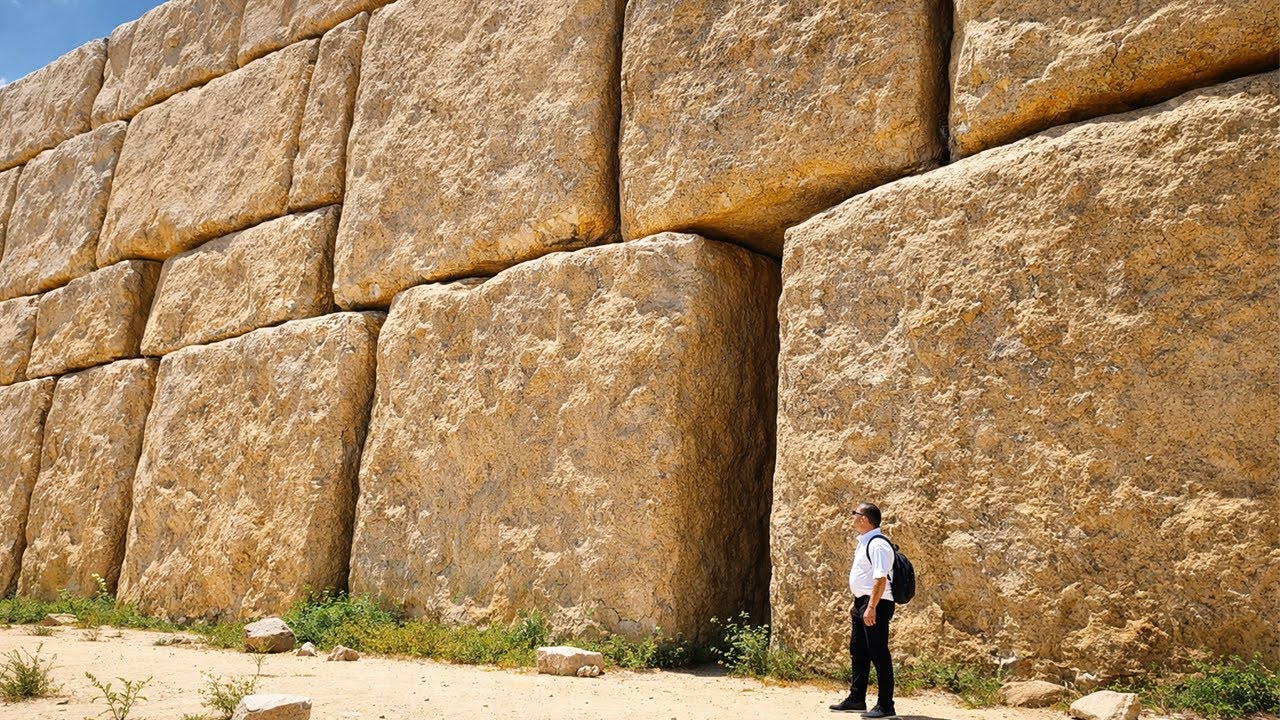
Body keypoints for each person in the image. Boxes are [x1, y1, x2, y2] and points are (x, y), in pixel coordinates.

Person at [829, 502, 896, 717]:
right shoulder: (865, 542)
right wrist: (857, 601)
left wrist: (871, 607)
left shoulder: (878, 544)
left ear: (864, 519)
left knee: (878, 652)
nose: (852, 517)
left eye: (854, 514)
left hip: (876, 604)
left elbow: (880, 579)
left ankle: (886, 705)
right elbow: (865, 578)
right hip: (863, 603)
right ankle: (857, 699)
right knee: (858, 650)